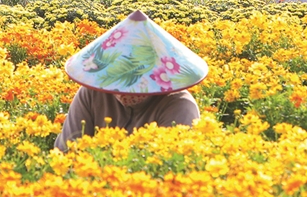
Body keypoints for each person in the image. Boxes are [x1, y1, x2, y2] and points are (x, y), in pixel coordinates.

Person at [54, 9, 207, 151]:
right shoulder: (92, 93)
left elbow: (168, 164)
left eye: (134, 79)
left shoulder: (180, 106)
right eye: (116, 77)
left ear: (156, 76)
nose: (123, 91)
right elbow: (66, 152)